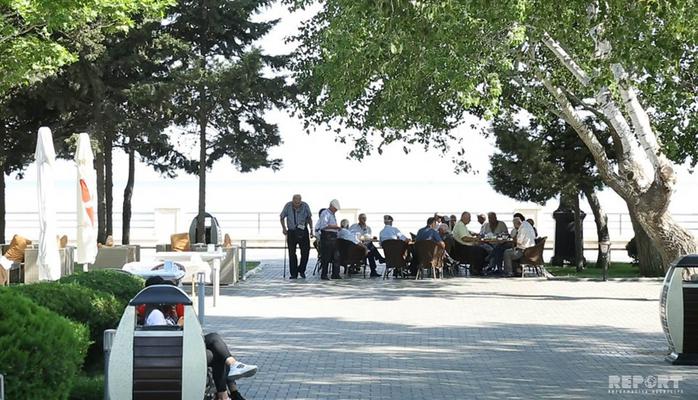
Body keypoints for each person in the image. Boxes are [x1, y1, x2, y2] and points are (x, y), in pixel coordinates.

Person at [143, 277, 256, 400]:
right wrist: (178, 326)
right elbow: (163, 339)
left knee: (215, 343)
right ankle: (228, 389)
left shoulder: (163, 312)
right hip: (171, 356)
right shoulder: (156, 314)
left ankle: (229, 380)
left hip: (177, 351)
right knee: (216, 351)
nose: (175, 302)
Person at [280, 194, 313, 279]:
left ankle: (301, 270)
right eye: (295, 202)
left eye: (298, 202)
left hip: (303, 230)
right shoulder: (288, 206)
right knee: (292, 253)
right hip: (291, 231)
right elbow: (282, 217)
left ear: (301, 201)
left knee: (305, 252)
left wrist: (311, 230)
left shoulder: (305, 205)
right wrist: (284, 228)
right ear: (292, 200)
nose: (297, 204)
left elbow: (309, 218)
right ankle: (293, 273)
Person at [316, 199, 342, 280]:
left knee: (336, 256)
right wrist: (335, 227)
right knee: (326, 256)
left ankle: (335, 274)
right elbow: (324, 225)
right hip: (327, 236)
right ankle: (324, 274)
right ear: (331, 206)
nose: (336, 210)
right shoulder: (325, 213)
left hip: (333, 236)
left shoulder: (332, 214)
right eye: (335, 208)